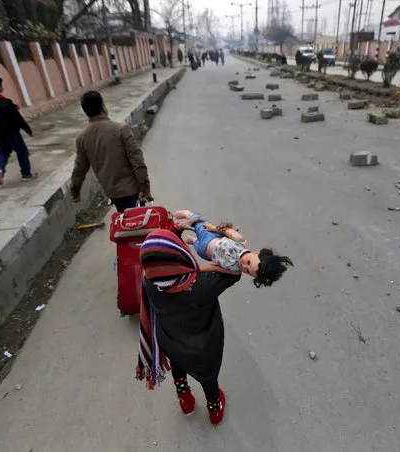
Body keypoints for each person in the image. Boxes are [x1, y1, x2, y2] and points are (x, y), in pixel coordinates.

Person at [136, 229, 241, 425]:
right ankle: (214, 408)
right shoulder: (202, 285)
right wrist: (226, 243)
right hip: (202, 348)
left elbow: (159, 255)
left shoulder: (150, 279)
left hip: (169, 340)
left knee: (178, 365)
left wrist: (174, 230)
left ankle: (184, 398)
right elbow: (235, 270)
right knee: (208, 377)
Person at [70, 91, 151, 212]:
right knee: (137, 224)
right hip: (131, 190)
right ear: (103, 107)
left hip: (112, 192)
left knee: (124, 221)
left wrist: (75, 190)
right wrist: (144, 187)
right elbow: (137, 160)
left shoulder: (82, 137)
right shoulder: (120, 129)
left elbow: (79, 168)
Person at [175, 210, 293, 287]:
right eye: (248, 262)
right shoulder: (242, 243)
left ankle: (192, 240)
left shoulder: (234, 271)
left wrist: (198, 269)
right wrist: (213, 228)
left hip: (203, 252)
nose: (244, 265)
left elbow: (215, 267)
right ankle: (184, 214)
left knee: (195, 242)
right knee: (196, 222)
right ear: (256, 253)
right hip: (210, 235)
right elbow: (228, 232)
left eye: (247, 270)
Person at [0, 75, 38, 185]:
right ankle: (26, 173)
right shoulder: (5, 104)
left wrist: (12, 106)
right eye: (1, 85)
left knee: (3, 151)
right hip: (10, 132)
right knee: (22, 151)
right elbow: (17, 119)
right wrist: (28, 130)